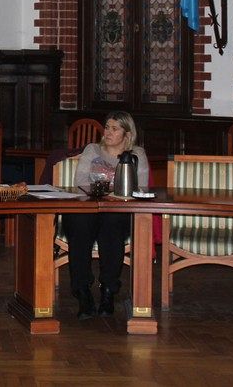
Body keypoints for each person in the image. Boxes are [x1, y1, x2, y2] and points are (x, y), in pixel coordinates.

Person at [60, 111, 148, 319]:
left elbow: (141, 187)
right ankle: (82, 292)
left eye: (114, 129)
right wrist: (110, 190)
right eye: (107, 127)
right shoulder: (92, 150)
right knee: (79, 223)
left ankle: (108, 290)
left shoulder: (136, 154)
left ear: (127, 134)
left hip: (117, 211)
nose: (107, 132)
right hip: (88, 207)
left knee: (112, 225)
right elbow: (80, 182)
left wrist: (109, 191)